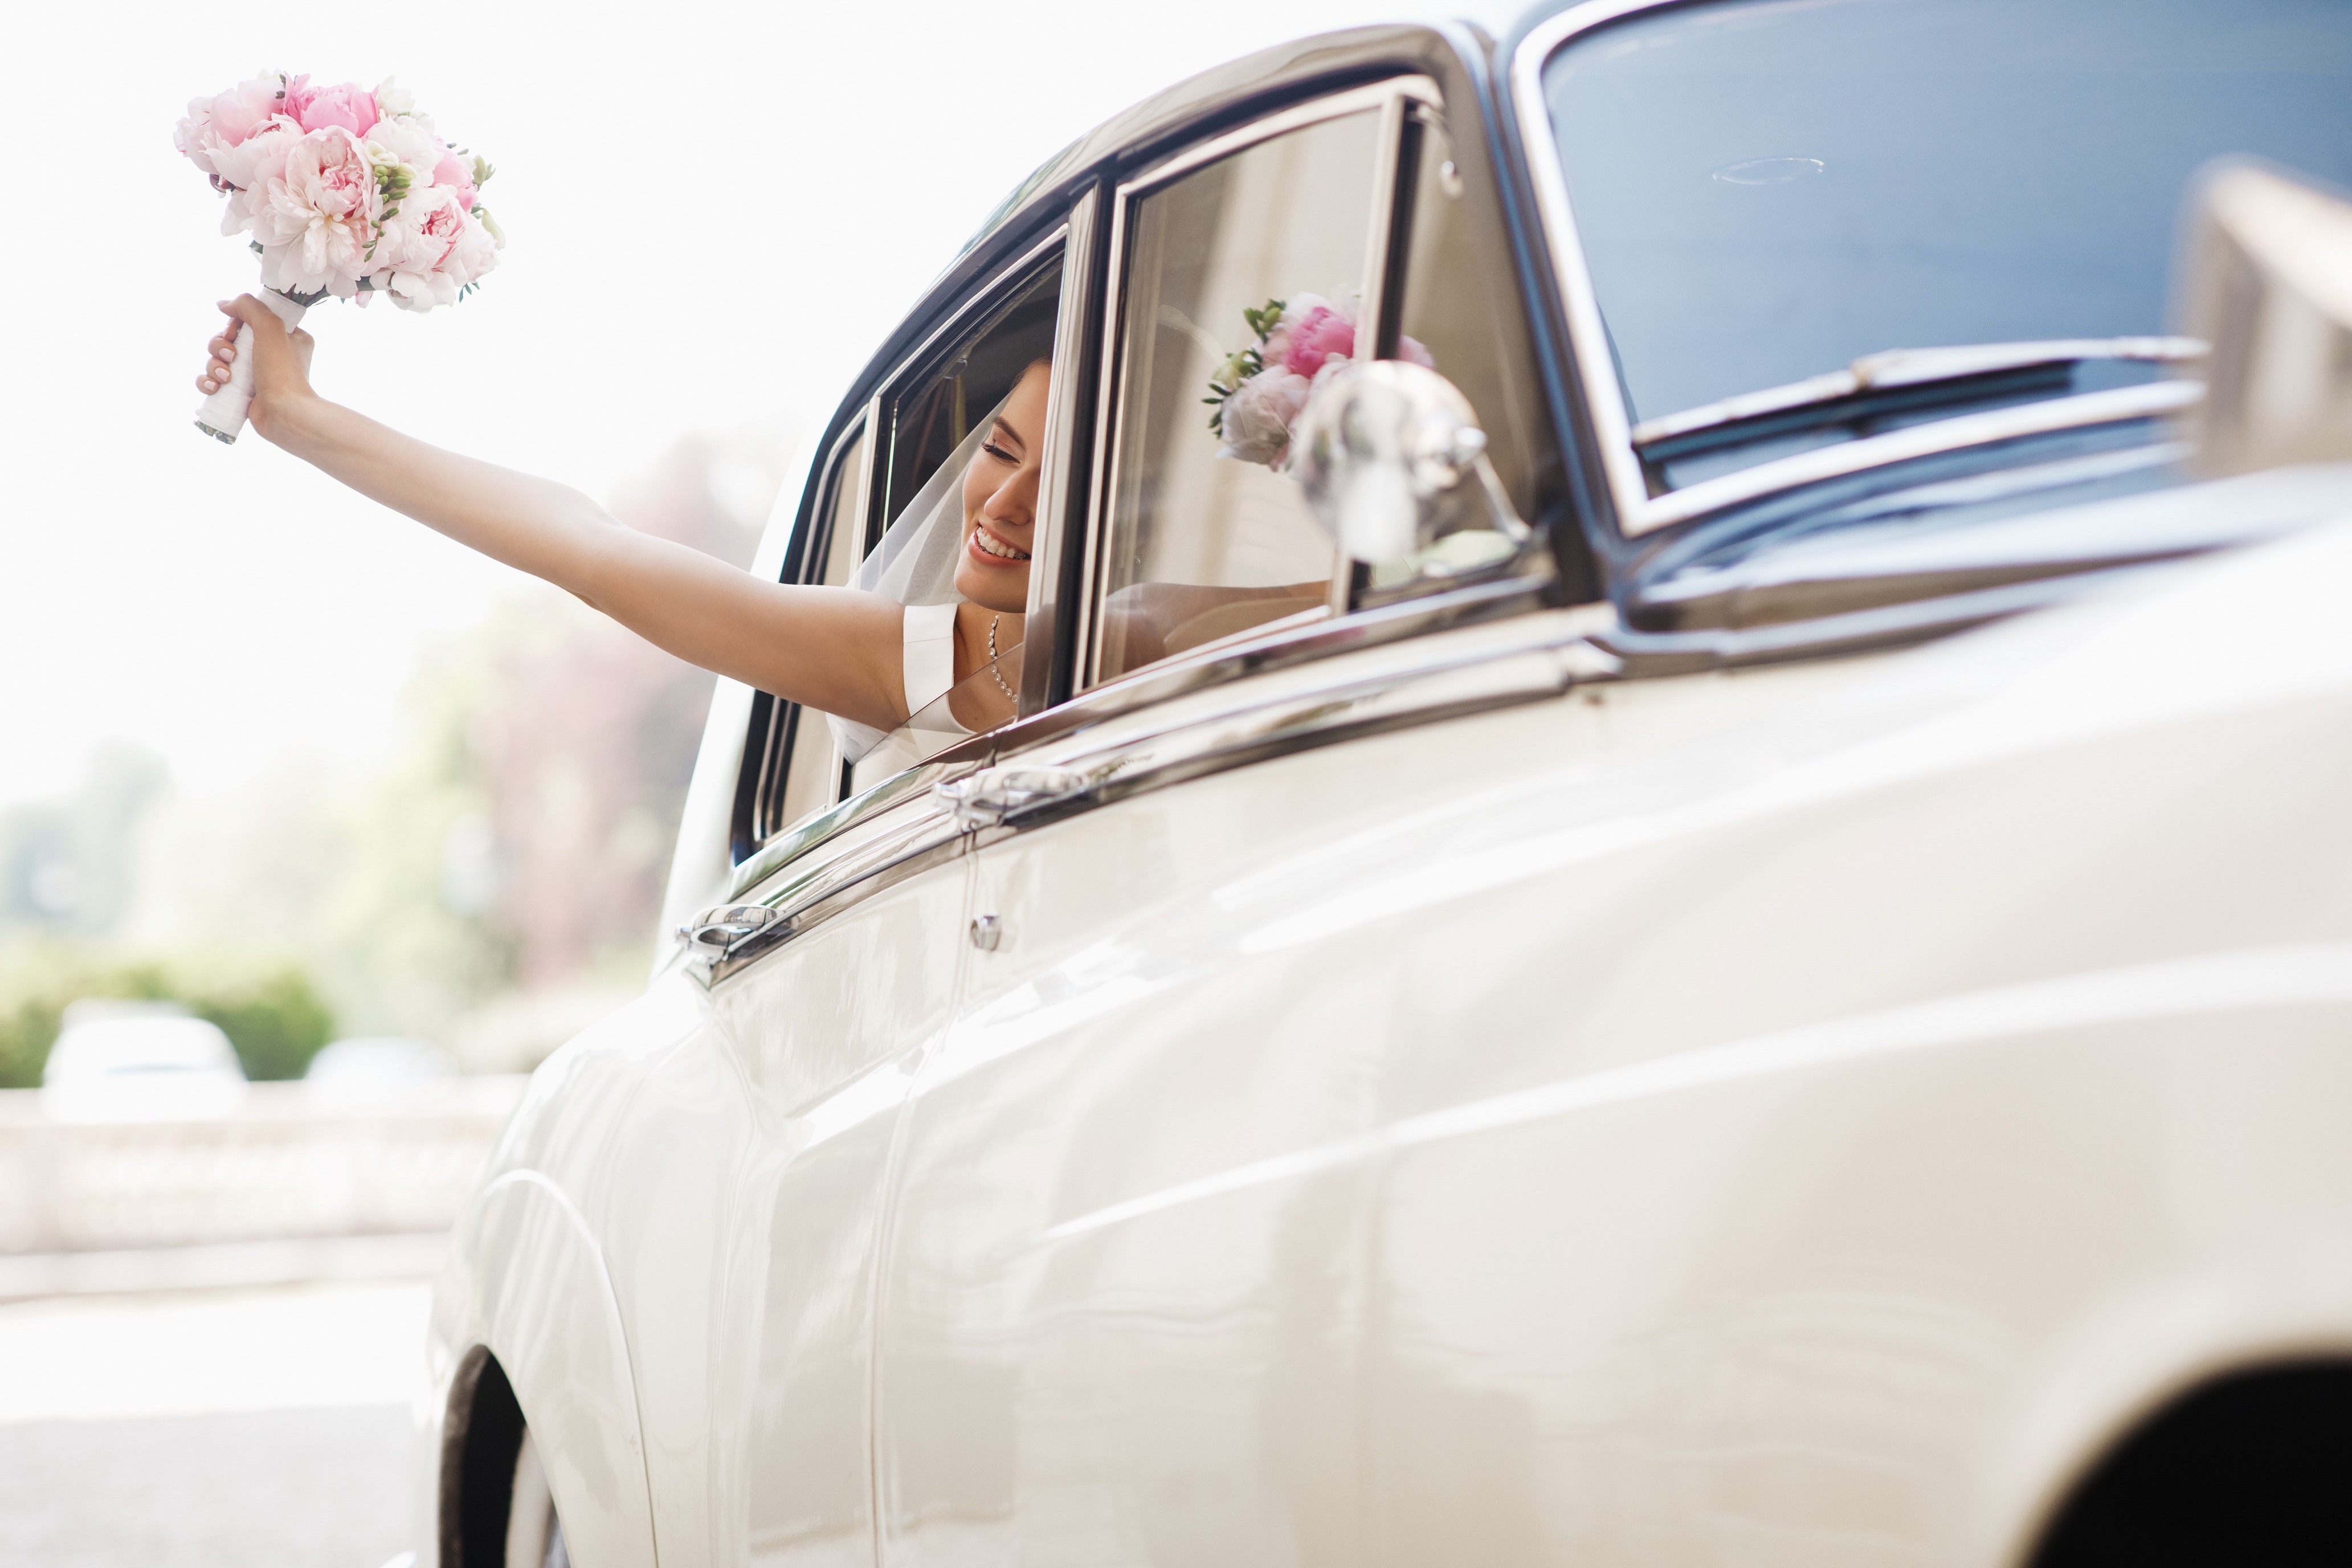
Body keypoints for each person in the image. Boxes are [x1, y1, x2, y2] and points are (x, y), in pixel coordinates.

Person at [193, 295, 1047, 752]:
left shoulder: (1161, 634)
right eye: (1002, 452)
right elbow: (590, 549)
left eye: (1056, 483)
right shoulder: (920, 659)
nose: (1005, 503)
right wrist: (304, 418)